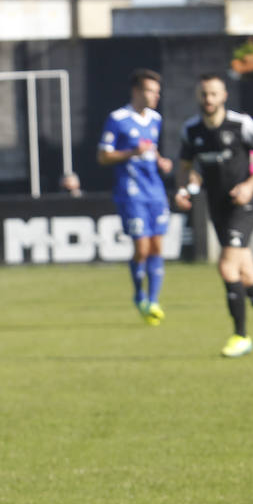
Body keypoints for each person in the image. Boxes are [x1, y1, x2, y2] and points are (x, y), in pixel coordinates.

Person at [174, 73, 253, 358]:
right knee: (246, 275)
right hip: (217, 207)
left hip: (244, 205)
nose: (209, 100)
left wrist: (249, 186)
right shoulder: (191, 130)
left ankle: (240, 336)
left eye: (214, 94)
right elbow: (186, 166)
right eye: (204, 94)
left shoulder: (241, 125)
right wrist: (183, 189)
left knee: (227, 268)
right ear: (198, 97)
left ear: (224, 96)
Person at [98, 68, 173, 325]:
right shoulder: (118, 118)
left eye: (157, 91)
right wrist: (131, 153)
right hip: (131, 192)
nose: (155, 96)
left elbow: (150, 150)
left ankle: (153, 301)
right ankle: (139, 293)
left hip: (155, 190)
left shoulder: (155, 119)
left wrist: (161, 161)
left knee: (157, 246)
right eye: (151, 91)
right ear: (137, 92)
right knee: (141, 248)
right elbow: (103, 156)